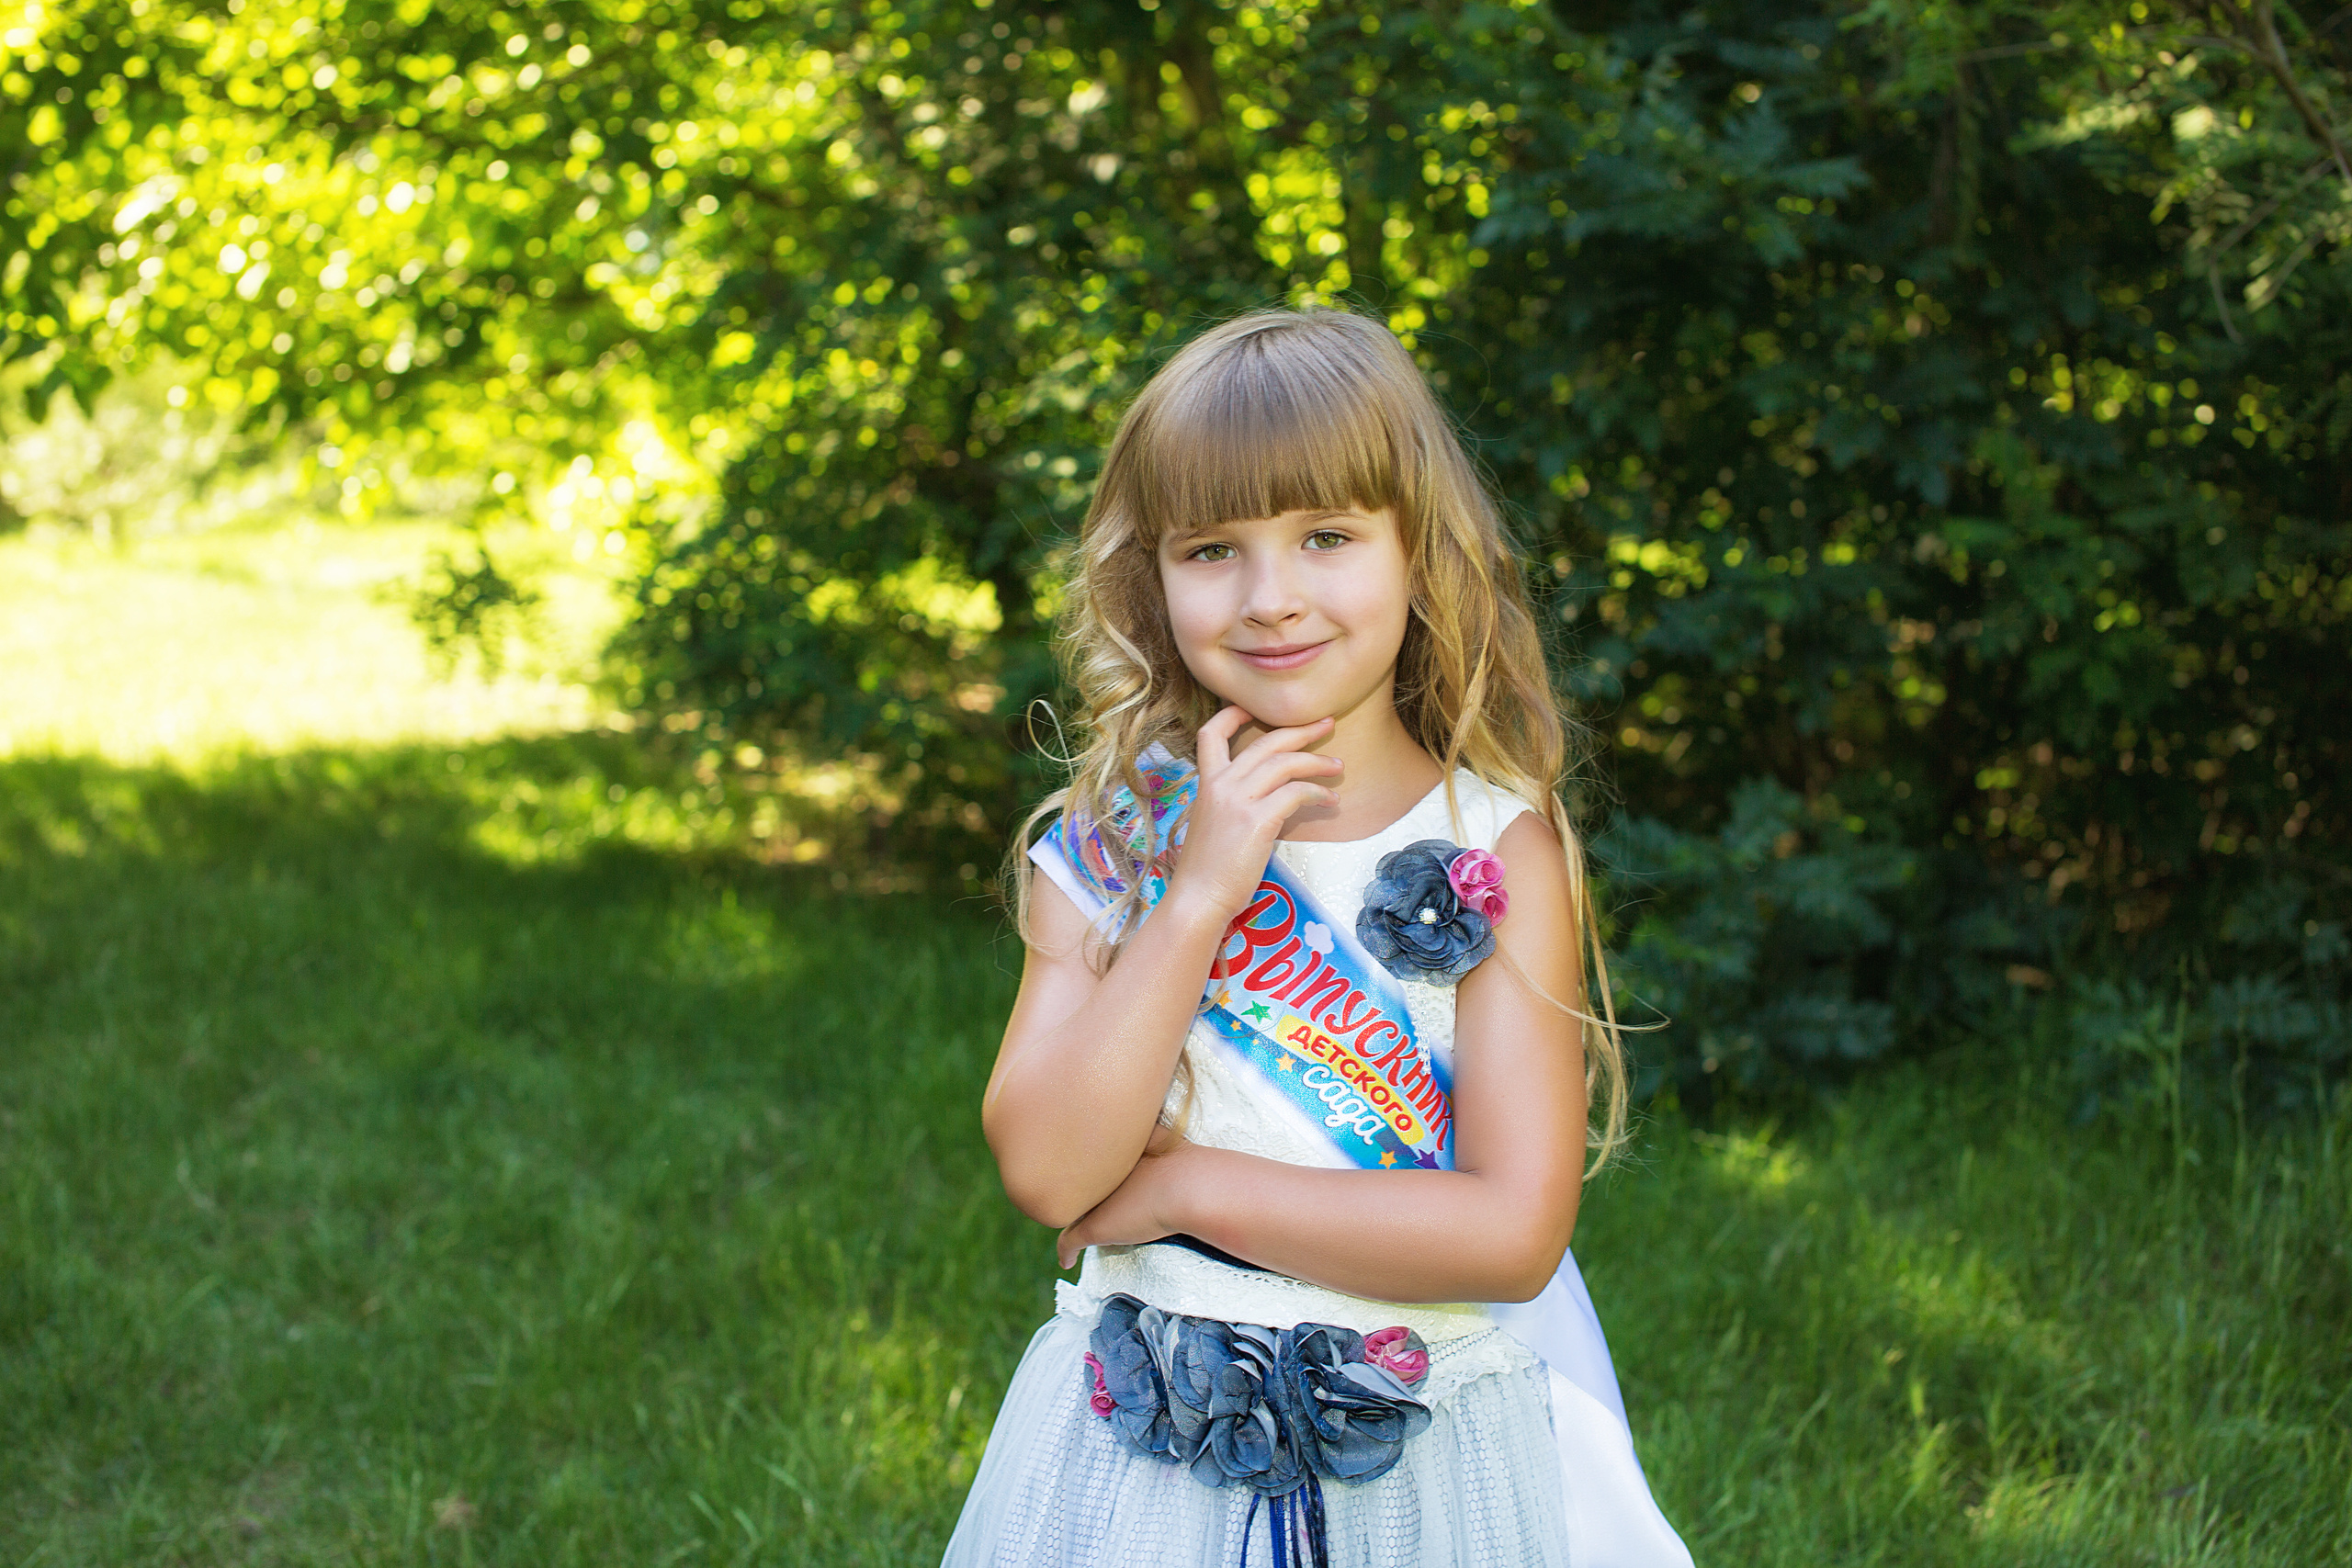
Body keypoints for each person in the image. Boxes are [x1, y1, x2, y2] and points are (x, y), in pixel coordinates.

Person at [944, 307, 1691, 1568]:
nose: (1271, 598)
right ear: (1151, 576)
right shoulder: (1116, 838)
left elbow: (1512, 1236)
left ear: (1417, 552)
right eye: (1212, 549)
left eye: (1327, 537)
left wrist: (1184, 1189)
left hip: (1419, 1458)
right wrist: (1197, 897)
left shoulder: (1496, 850)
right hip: (1143, 1460)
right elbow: (1048, 1173)